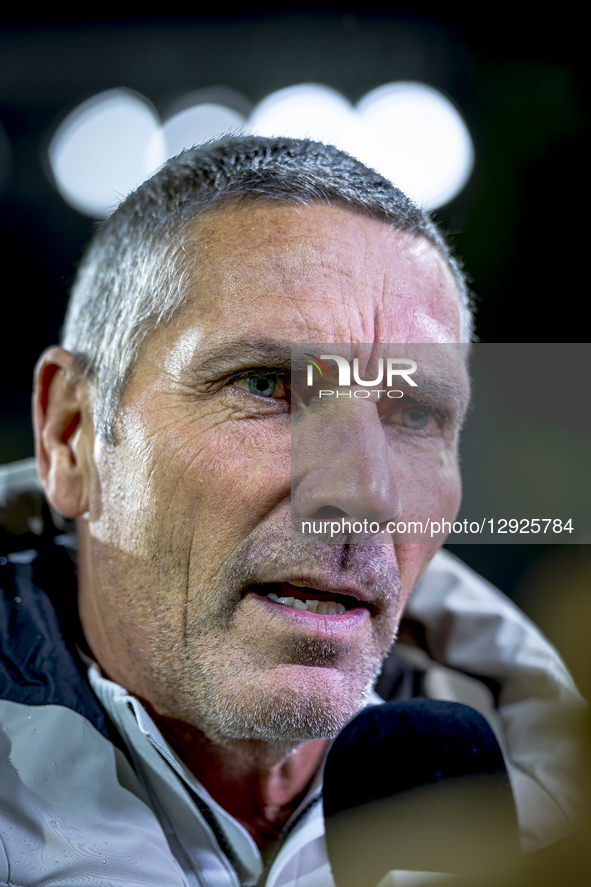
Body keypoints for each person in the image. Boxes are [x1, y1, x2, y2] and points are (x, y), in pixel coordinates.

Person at [0, 136, 582, 887]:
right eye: (267, 384)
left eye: (413, 414)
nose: (368, 493)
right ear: (71, 434)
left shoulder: (556, 835)